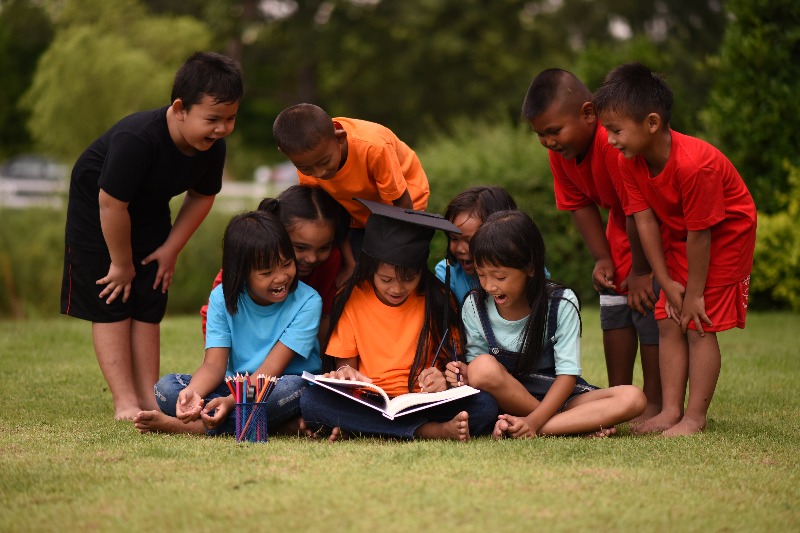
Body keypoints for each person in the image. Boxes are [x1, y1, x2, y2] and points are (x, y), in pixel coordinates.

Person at [60, 52, 243, 421]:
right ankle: (125, 401)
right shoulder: (138, 139)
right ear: (179, 109)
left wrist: (170, 249)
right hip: (99, 210)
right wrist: (121, 263)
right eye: (212, 119)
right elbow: (111, 203)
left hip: (148, 208)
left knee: (150, 296)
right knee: (114, 296)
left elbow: (202, 196)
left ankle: (149, 396)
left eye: (230, 119)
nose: (221, 129)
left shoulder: (212, 146)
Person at [592, 62, 757, 437]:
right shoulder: (629, 161)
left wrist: (695, 294)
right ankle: (669, 411)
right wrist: (665, 281)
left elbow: (703, 234)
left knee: (697, 322)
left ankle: (694, 417)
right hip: (685, 233)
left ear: (651, 123)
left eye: (616, 130)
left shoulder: (695, 166)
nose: (611, 140)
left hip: (725, 235)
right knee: (668, 318)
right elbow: (645, 222)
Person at [521, 68, 662, 422]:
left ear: (587, 114)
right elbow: (579, 205)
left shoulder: (611, 144)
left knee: (647, 308)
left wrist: (641, 271)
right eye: (540, 135)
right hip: (622, 227)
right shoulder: (561, 154)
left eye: (554, 131)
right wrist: (603, 258)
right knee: (613, 305)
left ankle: (655, 401)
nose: (548, 142)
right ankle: (617, 396)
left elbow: (638, 210)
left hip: (652, 231)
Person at [299, 199, 499, 441]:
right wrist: (344, 374)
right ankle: (428, 431)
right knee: (311, 401)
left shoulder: (438, 298)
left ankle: (364, 428)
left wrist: (442, 380)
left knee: (485, 405)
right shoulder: (353, 297)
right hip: (370, 401)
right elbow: (346, 369)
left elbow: (451, 367)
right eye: (386, 279)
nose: (396, 289)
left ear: (421, 271)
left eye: (408, 279)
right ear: (371, 269)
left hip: (423, 401)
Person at [445, 210, 646, 438]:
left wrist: (534, 421)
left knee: (633, 398)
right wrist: (464, 372)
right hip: (506, 398)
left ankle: (532, 427)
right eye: (481, 275)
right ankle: (573, 426)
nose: (489, 286)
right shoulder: (475, 304)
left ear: (530, 268)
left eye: (500, 277)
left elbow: (567, 376)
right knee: (481, 367)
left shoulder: (560, 303)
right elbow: (479, 372)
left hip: (560, 396)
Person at [134, 211, 322, 436]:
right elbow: (214, 366)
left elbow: (270, 370)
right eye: (267, 272)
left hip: (276, 387)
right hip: (234, 387)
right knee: (167, 388)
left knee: (293, 388)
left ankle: (191, 427)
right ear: (241, 273)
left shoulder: (308, 302)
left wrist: (231, 402)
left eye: (287, 264)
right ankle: (276, 425)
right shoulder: (221, 298)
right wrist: (193, 393)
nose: (281, 277)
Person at [272, 103, 430, 284]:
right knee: (358, 275)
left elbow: (403, 205)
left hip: (404, 206)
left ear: (340, 137)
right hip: (356, 209)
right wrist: (350, 265)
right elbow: (331, 216)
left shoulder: (373, 147)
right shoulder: (308, 157)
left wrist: (396, 251)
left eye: (325, 162)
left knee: (392, 273)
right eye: (306, 169)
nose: (319, 173)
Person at [200, 185, 349, 344]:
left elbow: (325, 316)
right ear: (277, 235)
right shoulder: (247, 262)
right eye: (300, 247)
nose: (312, 258)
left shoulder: (330, 262)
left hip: (300, 348)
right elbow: (216, 316)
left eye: (324, 248)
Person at [434, 186, 519, 306]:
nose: (460, 249)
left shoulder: (523, 270)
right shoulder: (447, 273)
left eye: (470, 241)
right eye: (453, 238)